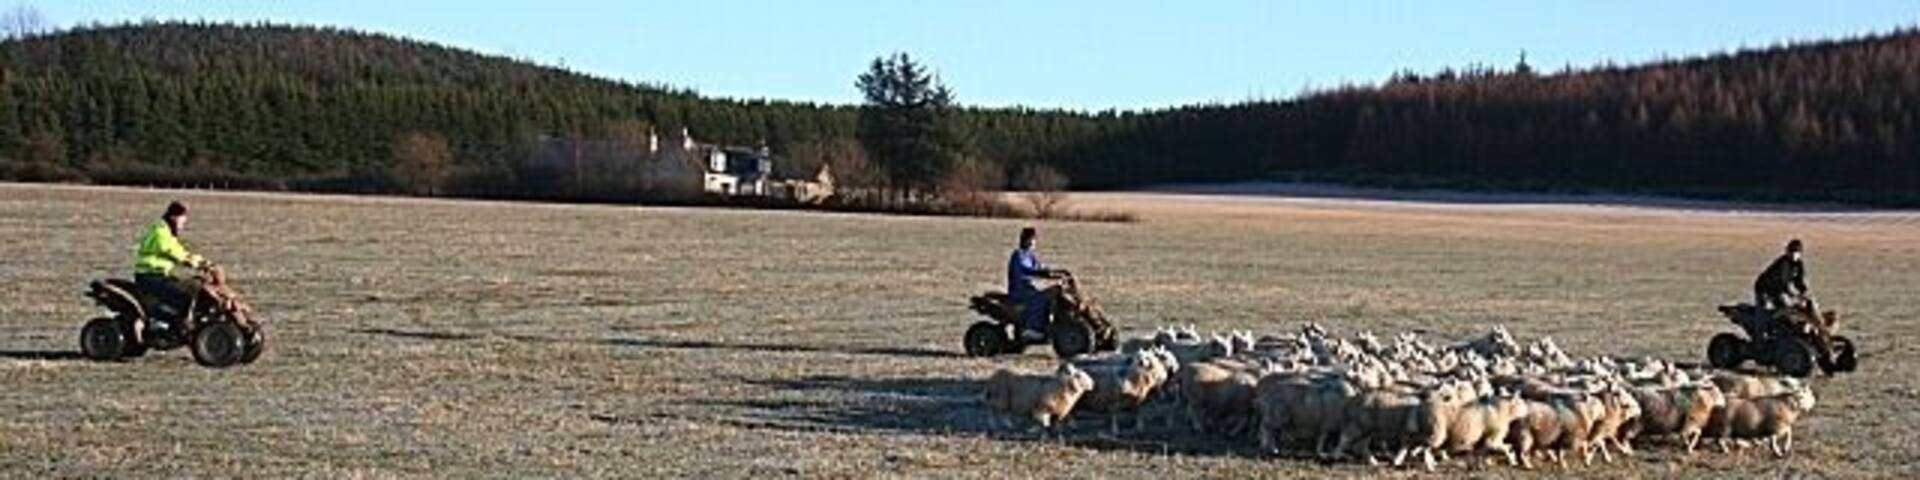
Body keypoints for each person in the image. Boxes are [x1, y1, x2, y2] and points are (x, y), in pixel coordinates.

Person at [134, 201, 208, 332]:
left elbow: (180, 251)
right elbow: (171, 251)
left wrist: (202, 261)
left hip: (160, 275)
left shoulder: (167, 232)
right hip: (149, 276)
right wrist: (192, 262)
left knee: (190, 290)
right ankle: (165, 324)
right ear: (174, 217)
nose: (182, 226)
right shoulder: (160, 232)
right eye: (182, 222)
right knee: (183, 296)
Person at [1007, 227, 1069, 341]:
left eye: (1034, 239)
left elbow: (1040, 267)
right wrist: (1043, 273)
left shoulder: (1030, 255)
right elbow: (1024, 270)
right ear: (1026, 240)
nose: (1033, 242)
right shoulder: (1018, 255)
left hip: (1029, 289)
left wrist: (1057, 272)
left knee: (1051, 295)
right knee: (1041, 298)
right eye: (1031, 239)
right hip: (1019, 291)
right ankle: (1031, 328)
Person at [1753, 238, 1808, 311]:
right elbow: (1783, 281)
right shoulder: (1783, 263)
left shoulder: (1799, 264)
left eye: (1797, 252)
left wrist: (1803, 291)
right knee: (1763, 311)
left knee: (1787, 306)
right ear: (1787, 251)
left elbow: (1799, 280)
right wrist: (1792, 294)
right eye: (1792, 251)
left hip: (1778, 289)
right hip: (1764, 288)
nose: (1794, 254)